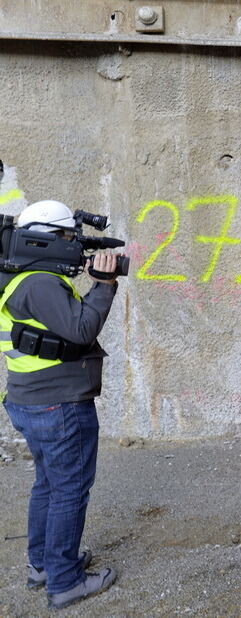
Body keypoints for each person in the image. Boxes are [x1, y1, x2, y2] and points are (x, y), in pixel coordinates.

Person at [0, 200, 119, 609]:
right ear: (49, 238)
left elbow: (60, 328)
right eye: (70, 238)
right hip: (58, 404)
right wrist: (103, 284)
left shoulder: (20, 278)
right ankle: (65, 582)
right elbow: (82, 328)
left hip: (33, 399)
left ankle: (45, 565)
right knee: (69, 490)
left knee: (49, 485)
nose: (74, 246)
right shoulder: (39, 283)